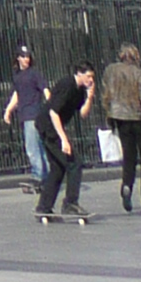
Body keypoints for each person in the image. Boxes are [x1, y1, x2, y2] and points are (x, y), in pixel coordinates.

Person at [99, 42, 141, 214]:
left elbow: (106, 95)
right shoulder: (139, 73)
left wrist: (109, 115)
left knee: (129, 157)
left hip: (120, 117)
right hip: (139, 118)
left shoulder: (111, 71)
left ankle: (127, 185)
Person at [36, 58, 96, 225]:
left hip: (52, 127)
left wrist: (90, 97)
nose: (91, 80)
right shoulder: (67, 85)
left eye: (92, 77)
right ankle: (70, 203)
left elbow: (82, 114)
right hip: (48, 127)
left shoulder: (80, 90)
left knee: (58, 167)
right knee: (74, 162)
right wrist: (64, 140)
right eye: (89, 76)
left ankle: (44, 206)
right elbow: (53, 113)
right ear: (79, 73)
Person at [2, 41, 51, 191]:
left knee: (32, 147)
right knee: (39, 146)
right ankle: (47, 177)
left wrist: (51, 107)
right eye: (23, 56)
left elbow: (45, 90)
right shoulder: (17, 76)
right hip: (25, 114)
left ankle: (38, 176)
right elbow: (17, 95)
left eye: (28, 56)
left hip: (33, 114)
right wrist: (8, 110)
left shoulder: (34, 73)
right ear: (18, 58)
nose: (26, 59)